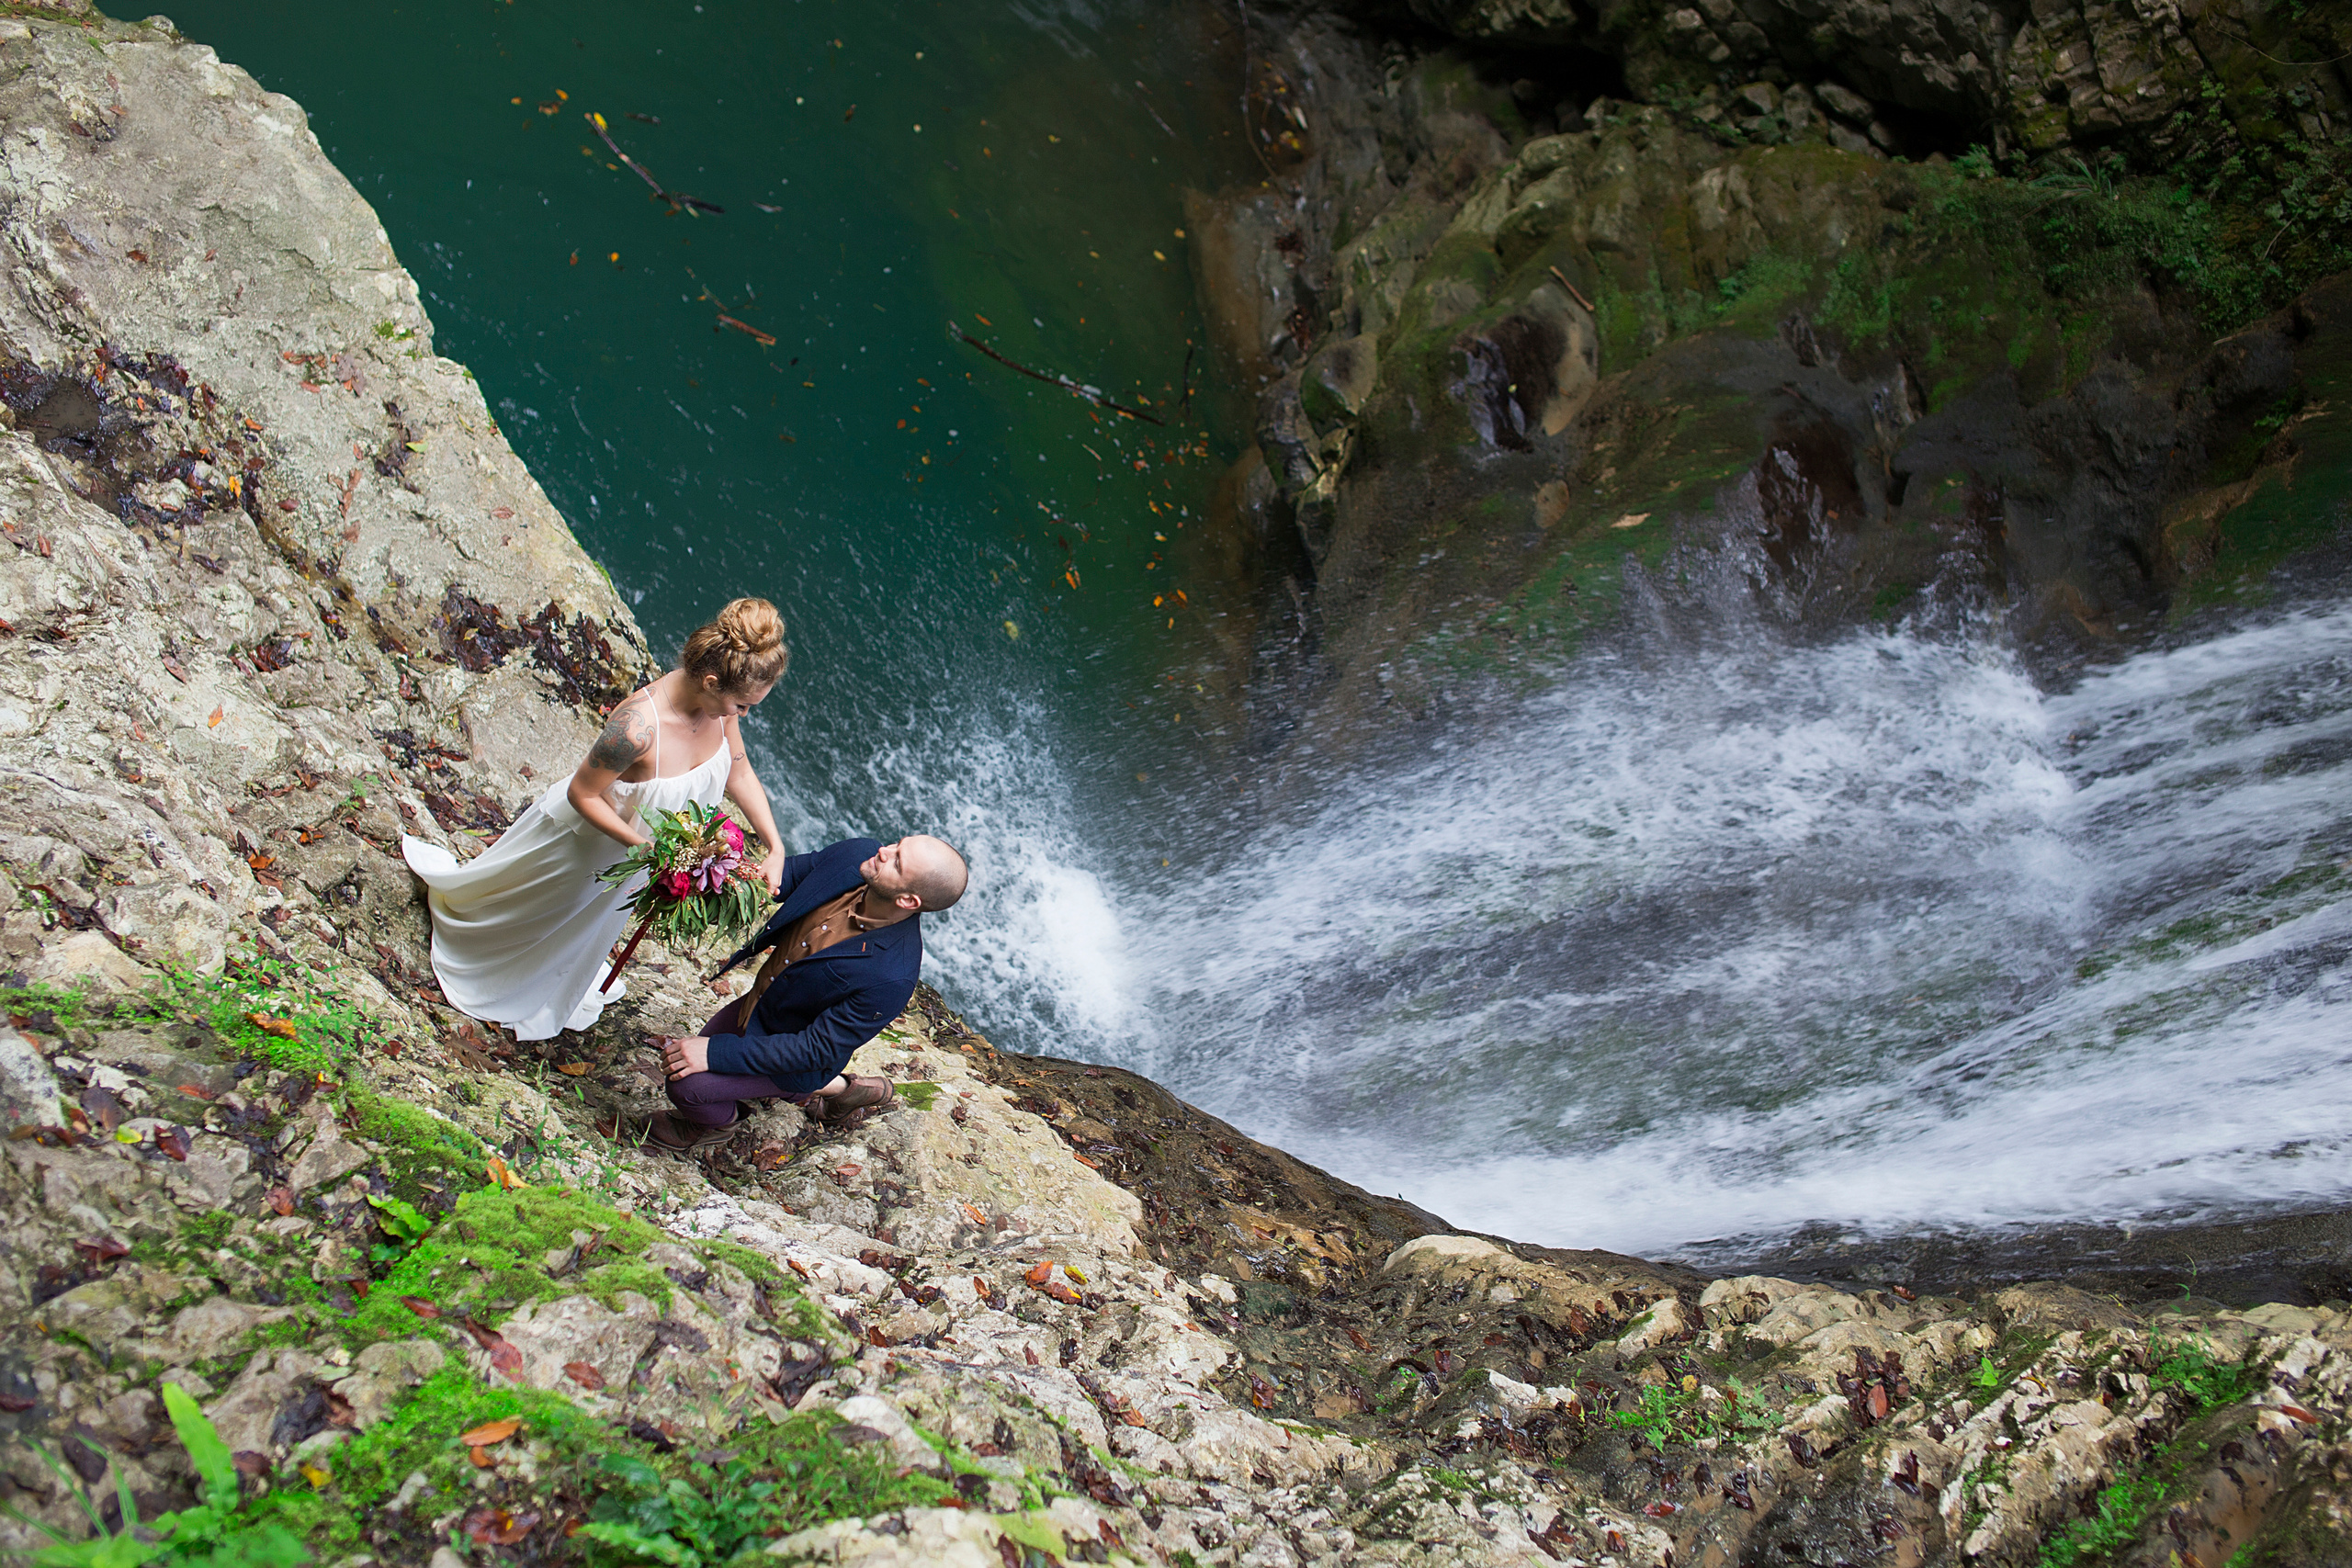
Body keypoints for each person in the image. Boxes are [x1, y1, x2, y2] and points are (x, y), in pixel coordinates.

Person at [401, 598, 792, 1041]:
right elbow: (581, 793)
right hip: (584, 846)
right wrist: (645, 848)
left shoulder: (719, 711)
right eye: (742, 705)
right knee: (533, 919)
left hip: (630, 861)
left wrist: (775, 846)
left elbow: (738, 770)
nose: (744, 714)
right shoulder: (636, 727)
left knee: (579, 929)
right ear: (710, 680)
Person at [642, 832, 967, 1152]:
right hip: (763, 1005)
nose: (884, 850)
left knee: (685, 1085)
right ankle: (843, 1090)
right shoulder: (857, 855)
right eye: (898, 843)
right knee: (691, 1055)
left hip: (799, 1055)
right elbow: (785, 877)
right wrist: (709, 873)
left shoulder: (892, 976)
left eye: (897, 861)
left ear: (908, 901)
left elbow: (814, 1050)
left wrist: (714, 1054)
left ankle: (716, 1126)